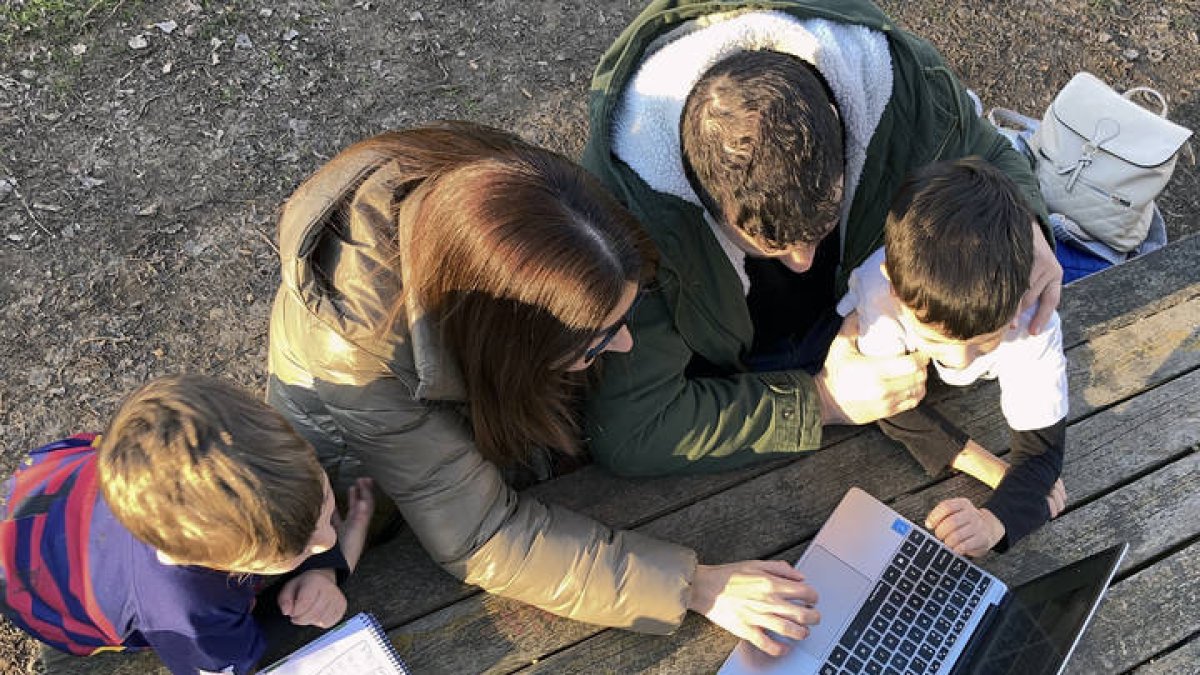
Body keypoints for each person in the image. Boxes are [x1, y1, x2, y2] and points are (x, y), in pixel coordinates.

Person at [265, 121, 820, 656]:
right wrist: (697, 586)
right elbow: (481, 533)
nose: (625, 346)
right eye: (601, 337)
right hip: (364, 499)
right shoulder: (362, 367)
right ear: (511, 346)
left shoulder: (513, 188)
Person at [580, 0, 1064, 476]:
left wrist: (1029, 223)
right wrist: (821, 400)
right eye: (769, 248)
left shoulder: (901, 87)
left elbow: (987, 151)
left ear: (837, 120)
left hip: (885, 329)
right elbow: (631, 428)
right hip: (745, 376)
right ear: (697, 192)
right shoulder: (627, 219)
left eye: (822, 227)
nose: (804, 263)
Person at [0, 375, 374, 674]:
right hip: (42, 597)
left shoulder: (256, 459)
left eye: (324, 505)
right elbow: (232, 659)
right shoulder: (185, 609)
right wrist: (333, 568)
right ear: (184, 555)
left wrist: (316, 562)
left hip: (50, 494)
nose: (327, 539)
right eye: (301, 548)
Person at [840, 158, 1069, 556]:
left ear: (1022, 299)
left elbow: (1042, 454)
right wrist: (997, 471)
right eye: (935, 339)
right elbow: (889, 406)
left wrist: (992, 522)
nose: (960, 361)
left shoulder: (1034, 325)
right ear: (895, 290)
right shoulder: (879, 294)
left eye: (984, 341)